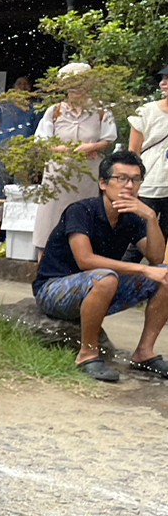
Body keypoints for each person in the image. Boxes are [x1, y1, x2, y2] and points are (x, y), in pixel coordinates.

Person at [32, 150, 168, 382]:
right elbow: (86, 260)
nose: (129, 186)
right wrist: (142, 268)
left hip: (100, 285)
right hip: (54, 290)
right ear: (103, 183)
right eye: (121, 178)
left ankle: (144, 353)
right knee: (105, 278)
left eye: (135, 179)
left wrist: (151, 219)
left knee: (164, 276)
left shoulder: (132, 217)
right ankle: (87, 354)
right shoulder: (81, 211)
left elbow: (156, 258)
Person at [31, 62, 118, 252]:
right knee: (50, 217)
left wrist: (92, 146)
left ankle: (83, 257)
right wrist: (65, 149)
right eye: (72, 82)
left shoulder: (101, 111)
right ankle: (45, 259)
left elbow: (108, 138)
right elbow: (42, 141)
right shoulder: (54, 111)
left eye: (81, 81)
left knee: (85, 214)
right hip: (58, 173)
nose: (77, 87)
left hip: (88, 173)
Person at [128, 64, 168, 243]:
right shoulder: (146, 111)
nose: (163, 83)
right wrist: (131, 182)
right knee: (139, 239)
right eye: (163, 79)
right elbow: (133, 151)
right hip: (149, 182)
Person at [0, 75, 38, 190]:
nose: (22, 87)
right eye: (19, 84)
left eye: (25, 84)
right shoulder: (4, 105)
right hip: (3, 146)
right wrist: (0, 136)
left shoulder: (35, 107)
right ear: (14, 87)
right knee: (0, 180)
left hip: (25, 148)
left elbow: (39, 128)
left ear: (30, 87)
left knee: (20, 184)